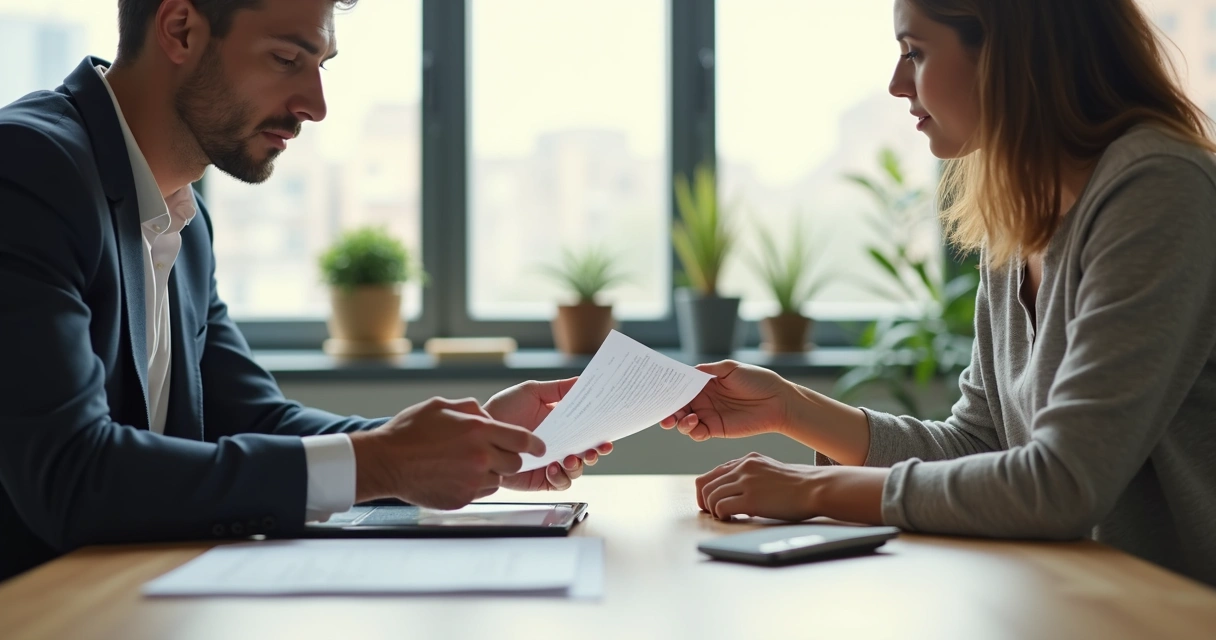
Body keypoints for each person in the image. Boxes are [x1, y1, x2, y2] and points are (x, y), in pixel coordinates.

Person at [0, 0, 608, 581]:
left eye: (320, 67)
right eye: (288, 60)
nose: (315, 106)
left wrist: (467, 440)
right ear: (181, 30)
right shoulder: (29, 167)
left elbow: (256, 419)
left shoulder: (184, 222)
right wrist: (384, 460)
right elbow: (70, 475)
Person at [663, 0, 1216, 587]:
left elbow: (1060, 485)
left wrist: (815, 489)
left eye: (915, 52)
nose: (898, 83)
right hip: (1080, 599)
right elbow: (981, 449)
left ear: (1009, 54)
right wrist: (790, 408)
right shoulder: (1018, 222)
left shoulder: (1158, 189)